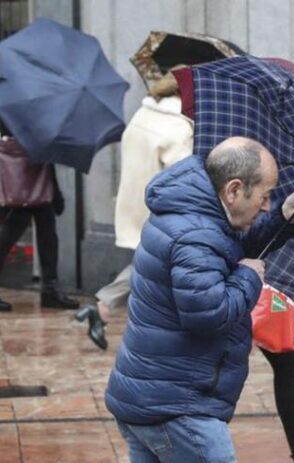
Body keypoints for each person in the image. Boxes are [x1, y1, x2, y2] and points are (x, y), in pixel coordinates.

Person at [105, 136, 294, 463]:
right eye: (264, 196)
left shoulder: (195, 212)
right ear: (234, 190)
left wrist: (282, 216)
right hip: (180, 410)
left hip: (149, 397)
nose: (266, 204)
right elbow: (209, 314)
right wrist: (249, 276)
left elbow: (229, 246)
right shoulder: (196, 236)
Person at [75, 70, 193, 350]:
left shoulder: (143, 114)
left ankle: (102, 308)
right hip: (163, 210)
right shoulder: (178, 127)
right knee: (156, 264)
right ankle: (105, 307)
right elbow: (182, 174)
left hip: (135, 203)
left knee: (151, 263)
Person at [0, 120, 79, 312]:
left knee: (48, 234)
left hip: (39, 175)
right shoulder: (9, 101)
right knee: (10, 233)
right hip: (18, 175)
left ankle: (50, 290)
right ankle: (50, 290)